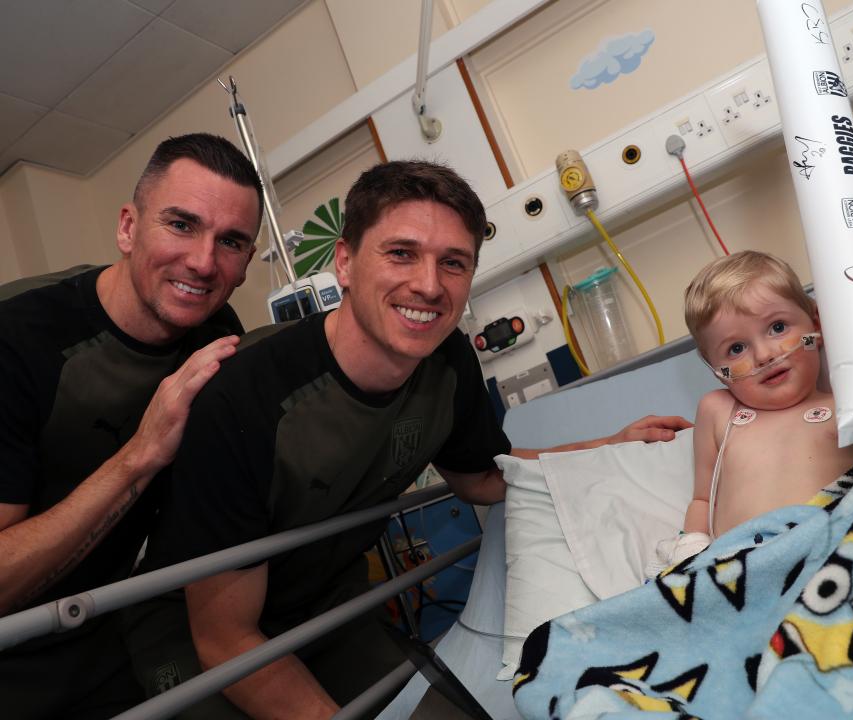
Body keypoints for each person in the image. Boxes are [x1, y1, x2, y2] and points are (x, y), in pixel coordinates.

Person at [130, 159, 691, 719]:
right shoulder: (241, 401)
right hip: (200, 638)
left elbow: (483, 478)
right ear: (344, 263)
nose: (428, 284)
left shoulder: (446, 361)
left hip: (327, 606)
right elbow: (226, 639)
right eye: (401, 253)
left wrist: (604, 447)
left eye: (454, 263)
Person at [0, 132, 263, 717]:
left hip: (116, 629)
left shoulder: (216, 326)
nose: (202, 261)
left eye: (231, 242)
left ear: (247, 263)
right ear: (127, 227)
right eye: (181, 224)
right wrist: (141, 455)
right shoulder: (19, 343)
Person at [676, 196, 853, 558]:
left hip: (837, 553)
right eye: (736, 349)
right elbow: (703, 497)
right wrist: (690, 551)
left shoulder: (849, 400)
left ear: (816, 322)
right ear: (716, 369)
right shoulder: (720, 411)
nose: (764, 355)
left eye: (778, 327)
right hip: (743, 567)